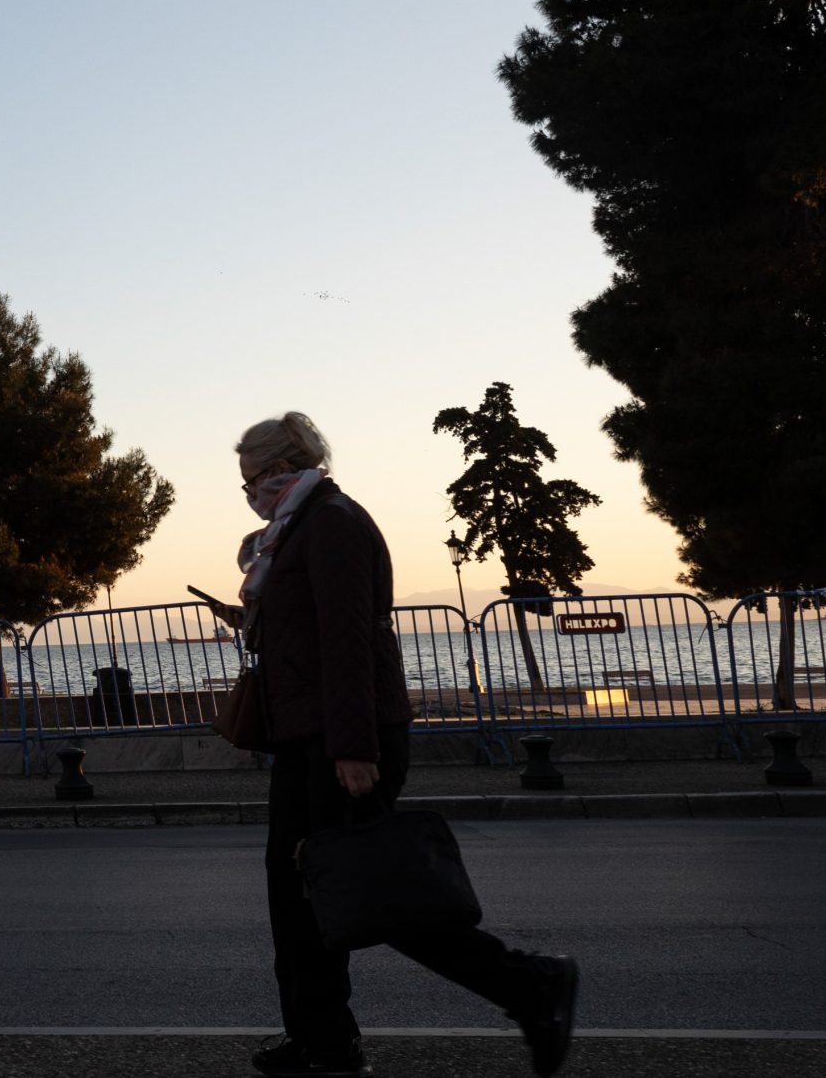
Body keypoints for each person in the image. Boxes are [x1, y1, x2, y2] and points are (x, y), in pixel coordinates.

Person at [211, 411, 580, 1078]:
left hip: (342, 741)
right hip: (307, 737)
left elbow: (351, 640)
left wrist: (354, 747)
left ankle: (532, 985)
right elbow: (313, 629)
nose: (249, 493)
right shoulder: (296, 529)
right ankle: (323, 1041)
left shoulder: (331, 523)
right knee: (298, 899)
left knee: (380, 895)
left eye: (253, 478)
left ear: (283, 466)